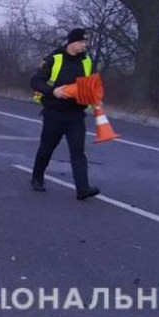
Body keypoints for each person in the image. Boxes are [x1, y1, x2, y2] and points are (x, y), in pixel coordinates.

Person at [30, 27, 100, 200]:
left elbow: (90, 85)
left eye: (85, 42)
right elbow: (36, 81)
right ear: (72, 42)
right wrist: (53, 91)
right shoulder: (54, 59)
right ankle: (37, 178)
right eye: (82, 41)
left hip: (76, 115)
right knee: (47, 148)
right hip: (54, 112)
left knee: (78, 151)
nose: (85, 45)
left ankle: (83, 189)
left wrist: (95, 98)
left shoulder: (87, 61)